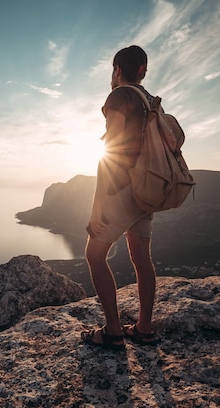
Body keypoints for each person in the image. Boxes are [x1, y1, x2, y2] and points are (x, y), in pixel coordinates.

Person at [81, 45, 158, 350]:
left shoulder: (119, 97)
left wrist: (97, 206)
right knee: (141, 258)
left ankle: (113, 331)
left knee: (94, 255)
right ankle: (144, 329)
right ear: (143, 71)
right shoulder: (149, 100)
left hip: (123, 190)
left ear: (116, 70)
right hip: (148, 189)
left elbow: (110, 154)